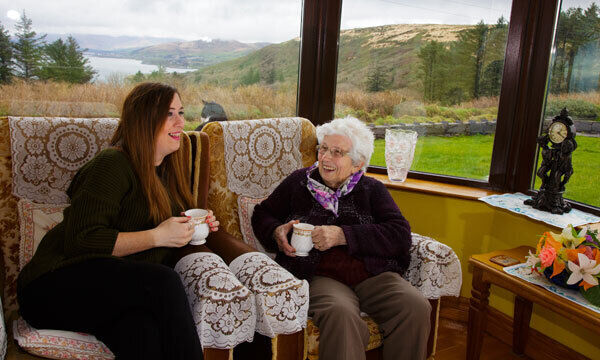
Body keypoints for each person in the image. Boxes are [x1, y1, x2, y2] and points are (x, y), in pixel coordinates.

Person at [17, 82, 220, 359]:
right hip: (49, 287)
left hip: (107, 291)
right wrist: (158, 236)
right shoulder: (112, 163)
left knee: (142, 331)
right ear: (144, 120)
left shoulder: (165, 173)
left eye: (181, 112)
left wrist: (195, 226)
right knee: (163, 283)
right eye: (169, 113)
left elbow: (159, 234)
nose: (181, 121)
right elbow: (81, 239)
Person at [251, 116, 430, 360]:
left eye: (337, 152)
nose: (325, 158)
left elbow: (400, 235)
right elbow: (263, 213)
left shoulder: (372, 190)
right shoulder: (299, 182)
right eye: (323, 149)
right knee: (341, 314)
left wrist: (344, 235)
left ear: (357, 164)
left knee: (415, 307)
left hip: (372, 274)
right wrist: (276, 231)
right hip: (321, 275)